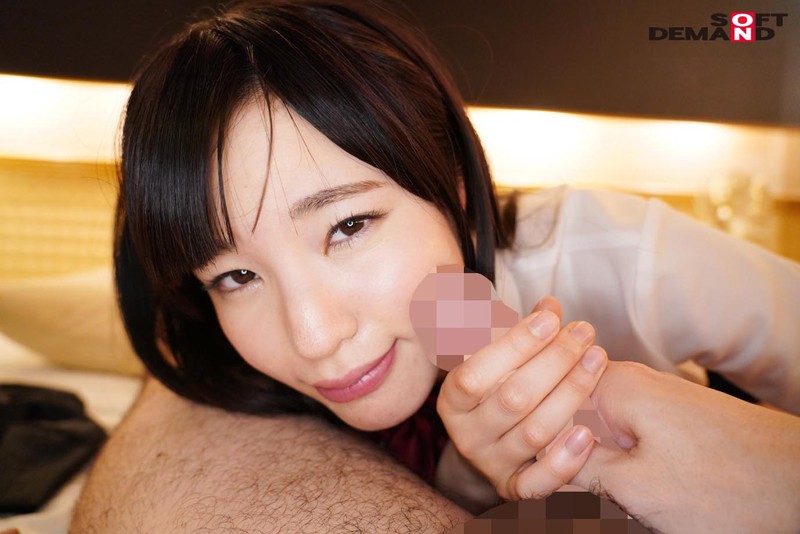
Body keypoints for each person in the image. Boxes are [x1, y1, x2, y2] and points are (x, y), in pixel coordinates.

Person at [72, 0, 800, 530]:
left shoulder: (615, 254)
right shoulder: (236, 385)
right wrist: (478, 484)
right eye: (236, 276)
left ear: (452, 182)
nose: (315, 336)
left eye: (348, 227)